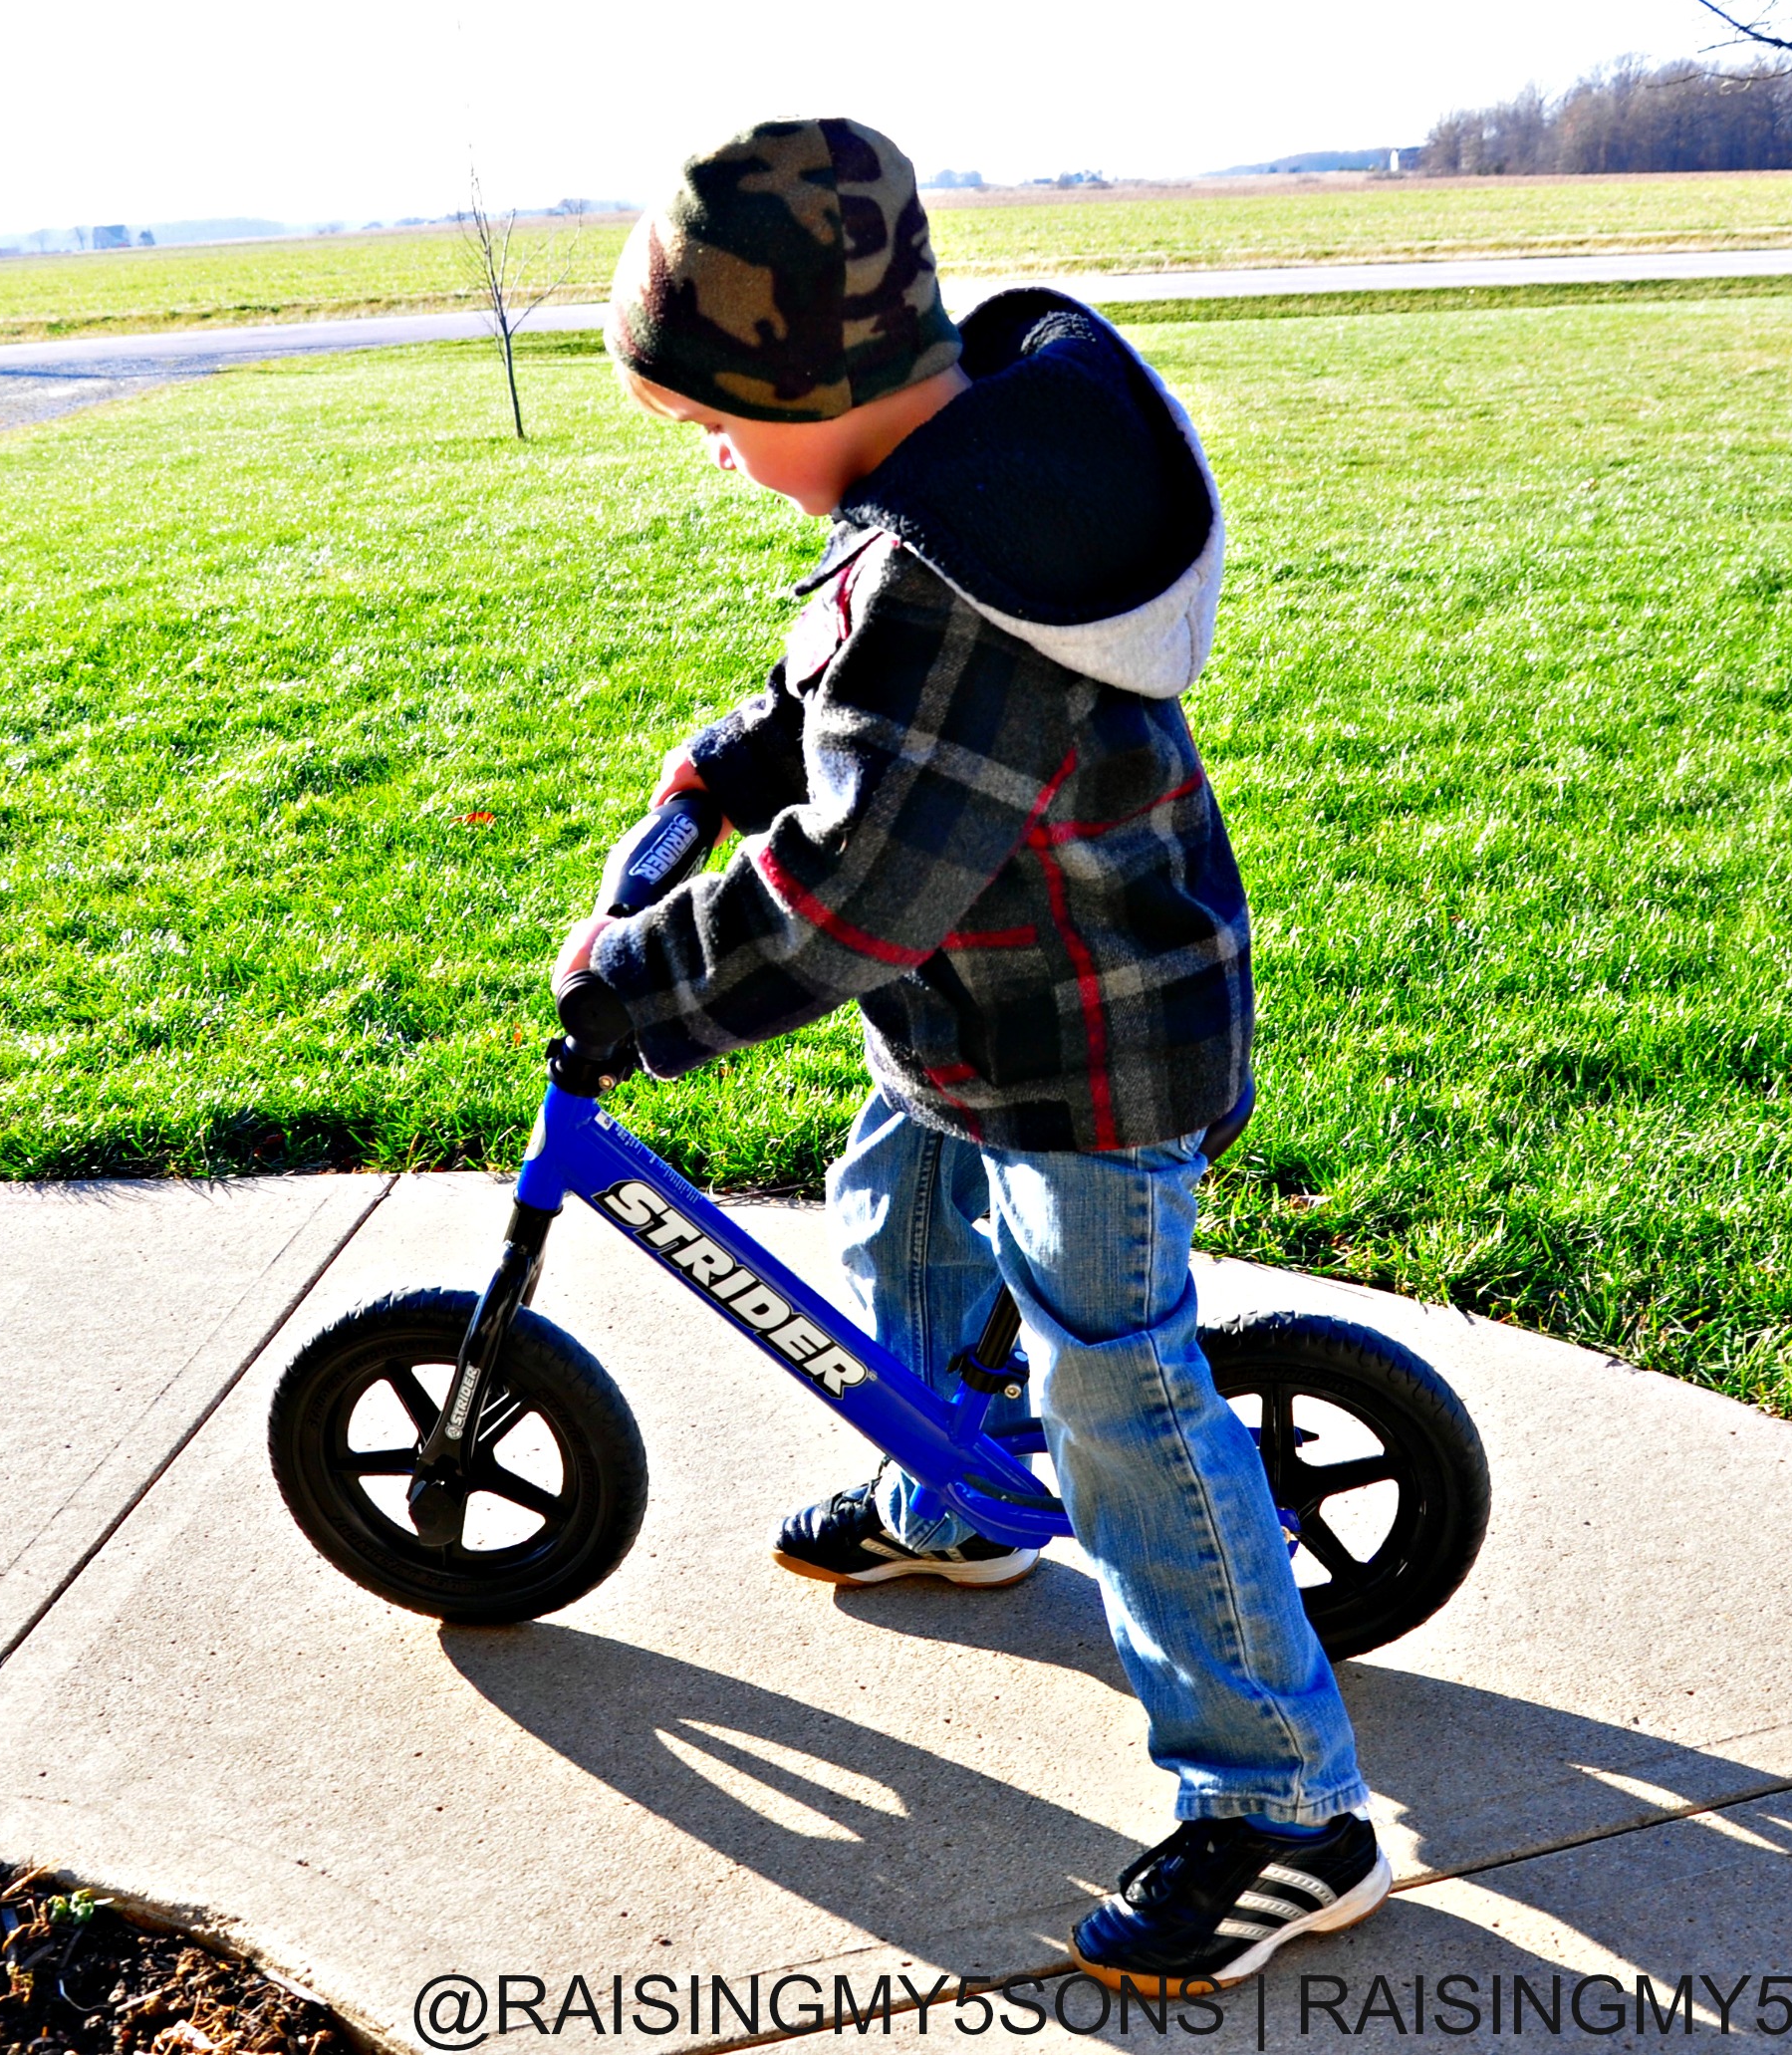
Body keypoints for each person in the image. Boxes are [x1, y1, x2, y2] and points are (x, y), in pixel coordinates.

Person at [551, 118, 1389, 1995]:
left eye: (711, 419)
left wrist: (636, 987)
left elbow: (848, 902)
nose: (708, 456)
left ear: (803, 378)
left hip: (1084, 1058)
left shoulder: (956, 581)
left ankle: (1279, 1806)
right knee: (895, 1188)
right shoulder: (964, 487)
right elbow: (849, 713)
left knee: (1117, 1382)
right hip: (998, 1014)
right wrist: (746, 751)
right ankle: (946, 1499)